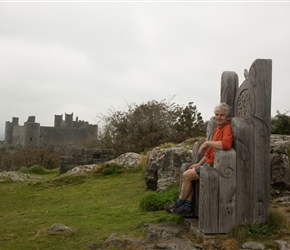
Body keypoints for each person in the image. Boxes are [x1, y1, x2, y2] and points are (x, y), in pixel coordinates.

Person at [165, 102, 233, 217]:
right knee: (189, 175)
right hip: (209, 164)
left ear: (227, 118)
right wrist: (198, 163)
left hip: (216, 166)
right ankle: (186, 207)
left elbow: (226, 144)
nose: (218, 117)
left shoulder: (227, 128)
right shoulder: (217, 130)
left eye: (222, 115)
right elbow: (209, 153)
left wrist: (206, 142)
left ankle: (179, 203)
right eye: (217, 114)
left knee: (187, 175)